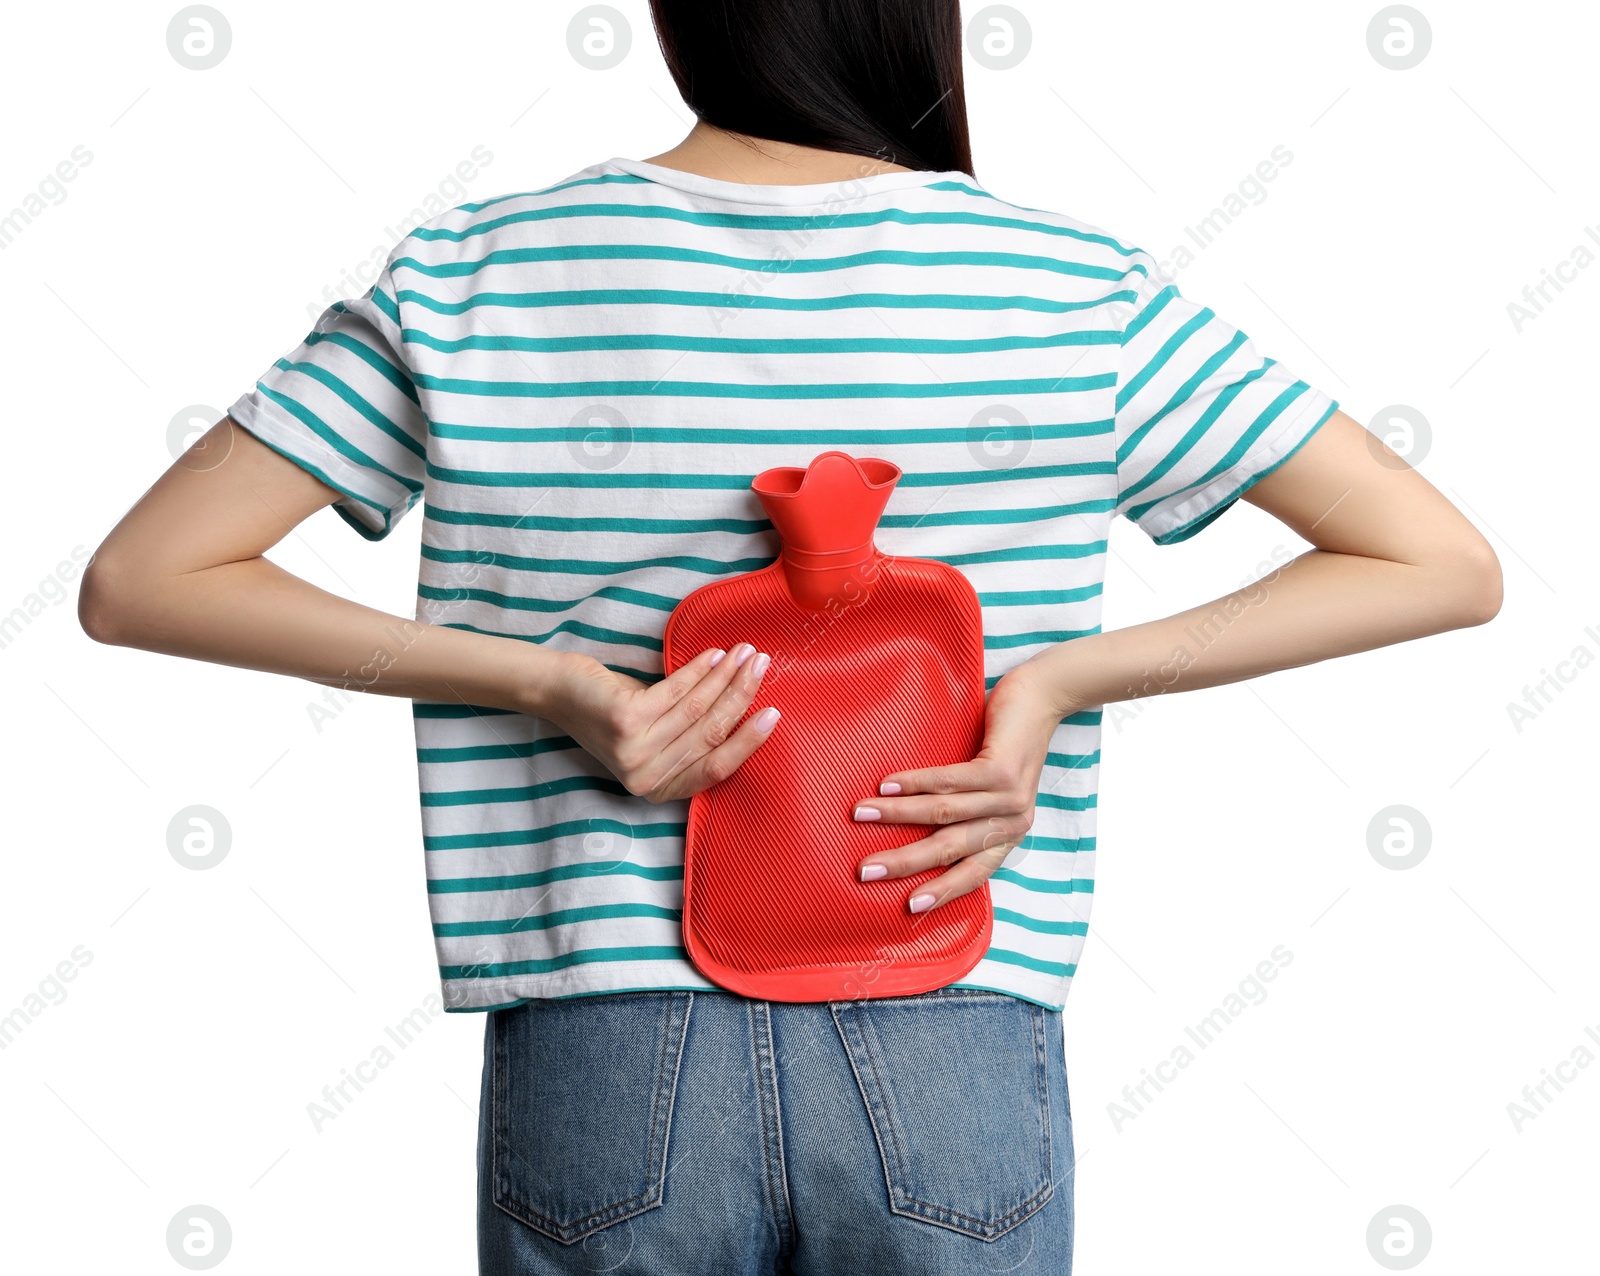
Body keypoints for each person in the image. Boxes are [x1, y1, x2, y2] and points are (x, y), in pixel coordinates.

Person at [78, 1, 1502, 1271]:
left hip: (603, 1037)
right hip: (953, 1007)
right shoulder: (1073, 288)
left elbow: (147, 577)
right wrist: (1054, 683)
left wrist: (552, 685)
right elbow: (1436, 559)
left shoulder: (482, 269)